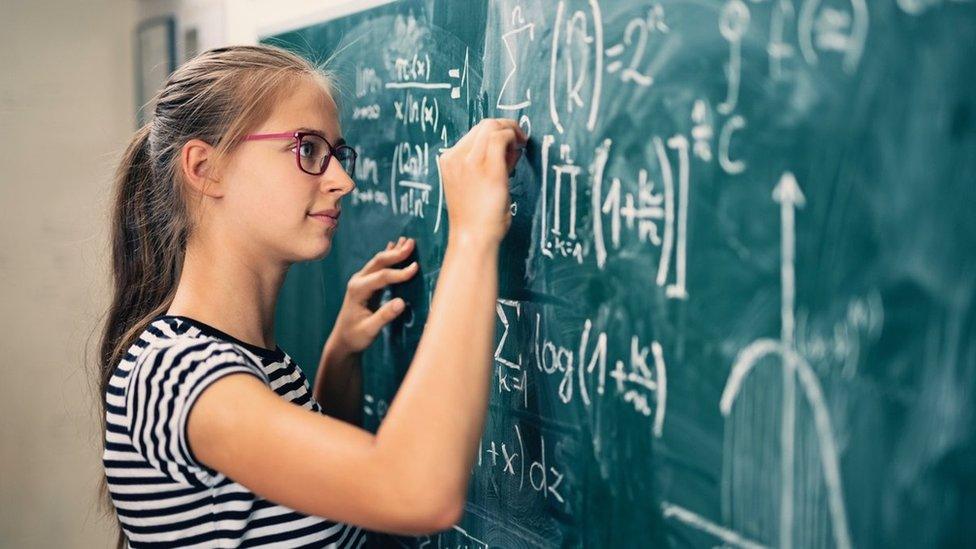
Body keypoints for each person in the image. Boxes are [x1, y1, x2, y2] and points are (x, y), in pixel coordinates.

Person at [95, 44, 526, 548]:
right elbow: (416, 493)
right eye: (308, 149)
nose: (343, 181)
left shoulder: (247, 361)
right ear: (205, 168)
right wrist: (472, 235)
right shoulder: (178, 372)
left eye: (338, 154)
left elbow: (306, 502)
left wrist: (339, 358)